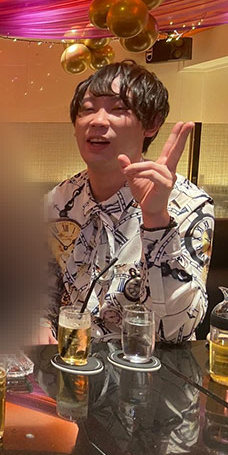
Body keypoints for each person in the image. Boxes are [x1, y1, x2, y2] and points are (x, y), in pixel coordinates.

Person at [46, 60, 214, 343]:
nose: (98, 121)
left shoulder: (188, 204)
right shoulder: (58, 202)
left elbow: (176, 331)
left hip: (153, 365)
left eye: (118, 109)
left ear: (152, 124)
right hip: (74, 359)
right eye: (87, 109)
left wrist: (156, 220)